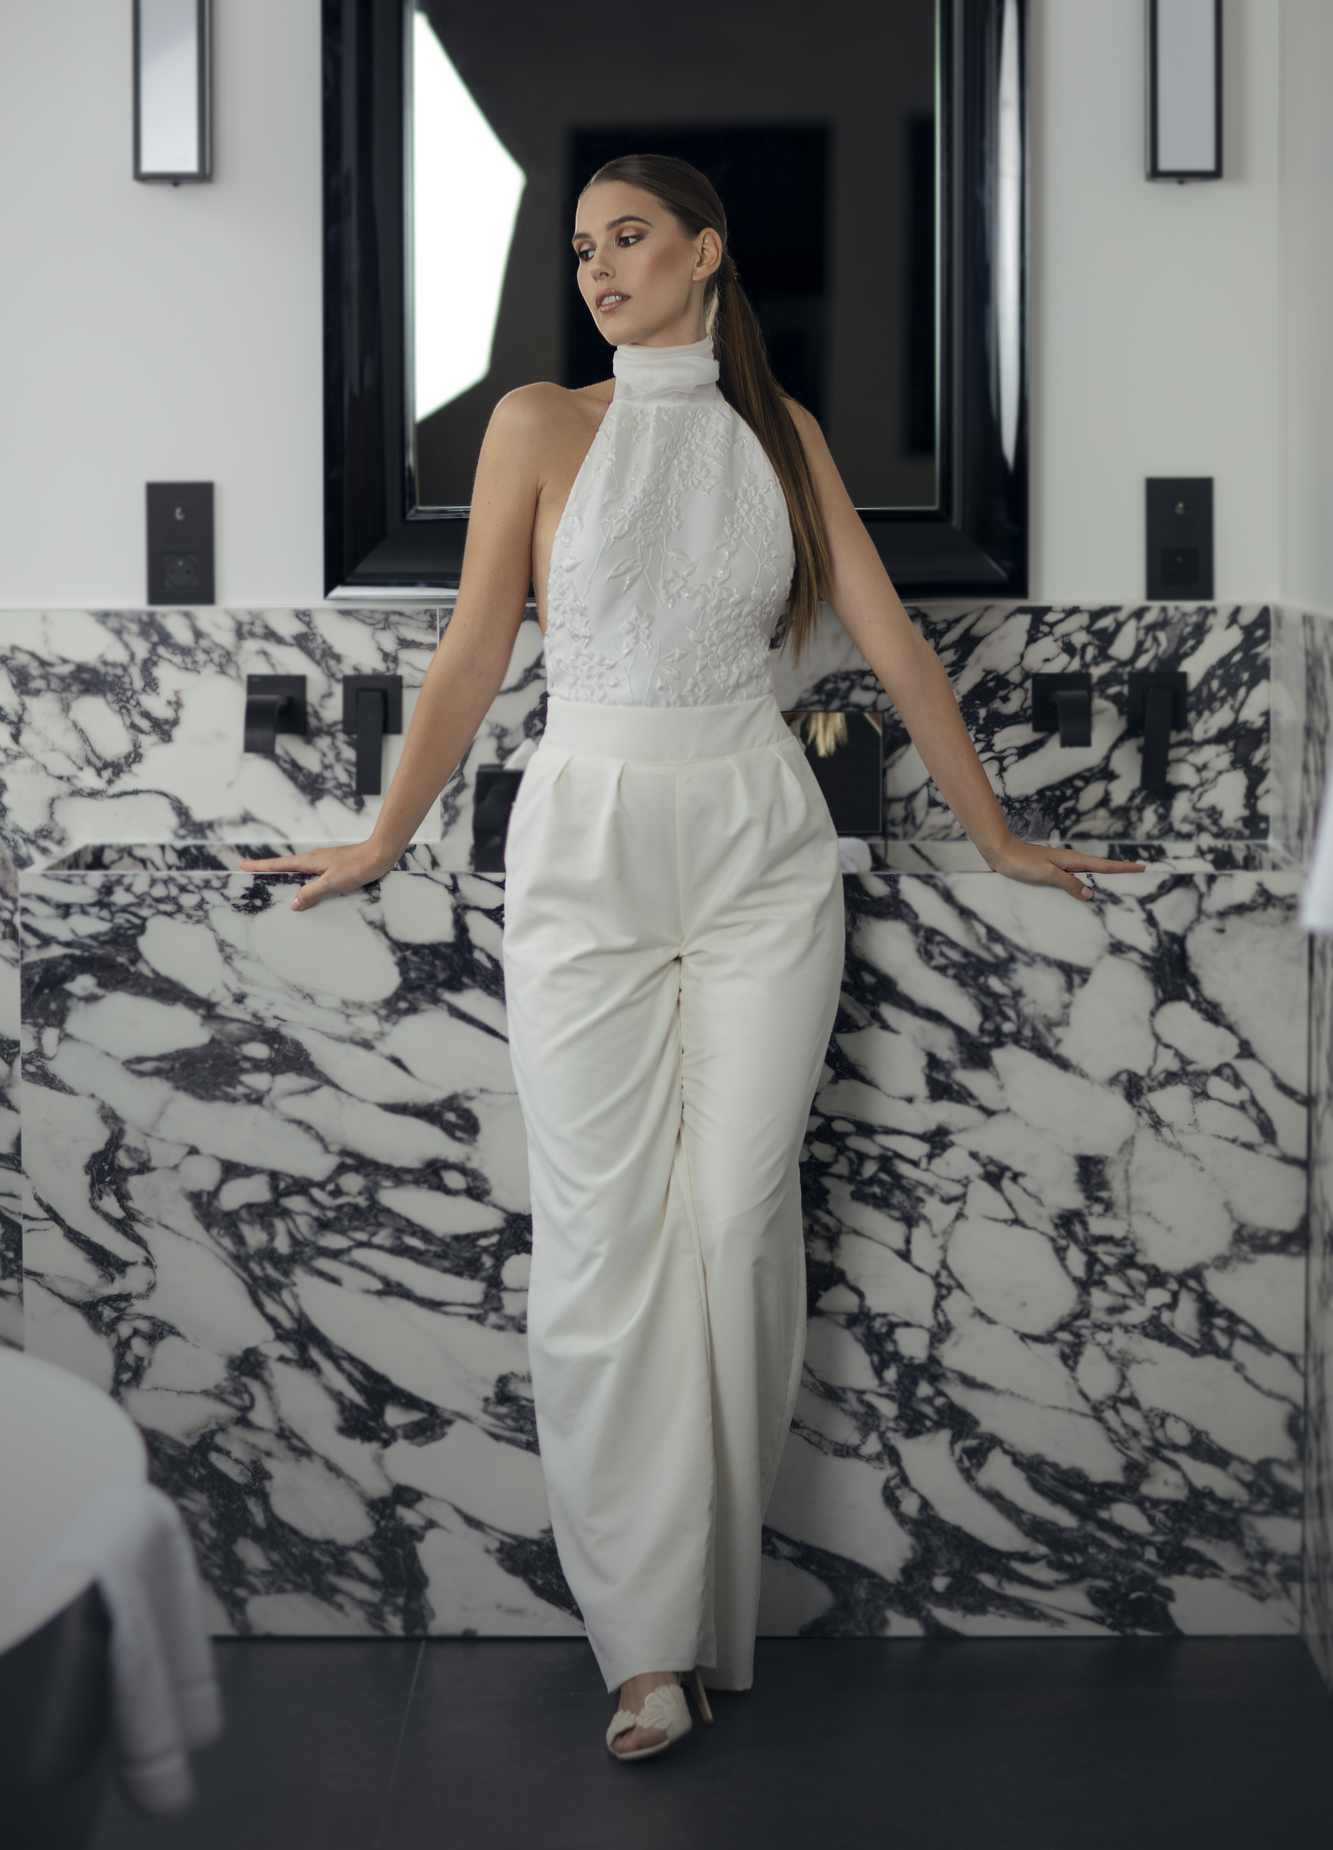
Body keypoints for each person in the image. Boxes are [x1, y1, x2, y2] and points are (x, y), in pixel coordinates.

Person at [241, 155, 1143, 1760]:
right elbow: (472, 649)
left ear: (705, 251)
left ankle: (706, 1611)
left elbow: (889, 640)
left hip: (756, 843)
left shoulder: (781, 437)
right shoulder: (537, 422)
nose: (598, 269)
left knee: (732, 1223)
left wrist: (997, 833)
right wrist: (383, 838)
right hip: (584, 841)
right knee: (602, 1240)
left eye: (629, 237)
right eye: (581, 248)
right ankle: (645, 1648)